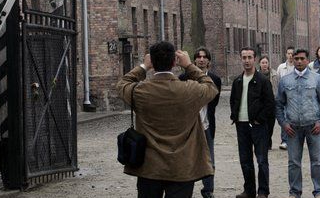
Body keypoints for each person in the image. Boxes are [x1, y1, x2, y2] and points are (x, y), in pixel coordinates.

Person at [116, 41, 218, 198]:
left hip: (150, 167)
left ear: (153, 63)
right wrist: (189, 66)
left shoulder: (140, 91)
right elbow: (211, 87)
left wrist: (144, 66)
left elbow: (122, 84)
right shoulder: (189, 90)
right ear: (174, 62)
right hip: (182, 166)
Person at [276, 48, 320, 198]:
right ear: (292, 60)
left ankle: (319, 192)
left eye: (302, 59)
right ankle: (294, 192)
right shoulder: (285, 81)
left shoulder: (317, 79)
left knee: (317, 162)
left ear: (308, 61)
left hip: (314, 127)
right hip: (293, 128)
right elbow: (279, 105)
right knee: (294, 163)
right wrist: (284, 124)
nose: (299, 61)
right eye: (296, 59)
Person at [230, 47, 275, 198]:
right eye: (244, 57)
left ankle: (263, 191)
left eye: (249, 57)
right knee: (245, 160)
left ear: (254, 59)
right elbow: (233, 101)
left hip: (257, 126)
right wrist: (235, 117)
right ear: (241, 59)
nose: (247, 60)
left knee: (262, 160)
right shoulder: (237, 80)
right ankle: (249, 190)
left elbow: (270, 104)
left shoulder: (262, 80)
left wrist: (259, 119)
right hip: (241, 125)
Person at [179, 47, 222, 198]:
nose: (202, 59)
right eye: (199, 56)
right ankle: (186, 189)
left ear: (209, 60)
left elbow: (213, 102)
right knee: (187, 158)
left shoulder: (215, 80)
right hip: (189, 126)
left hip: (207, 124)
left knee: (209, 159)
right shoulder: (183, 78)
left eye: (204, 57)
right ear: (194, 59)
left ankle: (208, 190)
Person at [275, 46, 296, 150]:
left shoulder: (297, 67)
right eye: (288, 53)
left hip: (295, 97)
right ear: (286, 54)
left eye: (292, 53)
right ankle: (284, 140)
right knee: (283, 118)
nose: (290, 56)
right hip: (283, 96)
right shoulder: (281, 67)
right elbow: (278, 81)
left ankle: (293, 139)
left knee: (292, 118)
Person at [258, 55, 276, 150]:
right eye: (262, 63)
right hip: (260, 104)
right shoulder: (256, 75)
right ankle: (264, 142)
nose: (264, 64)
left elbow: (277, 88)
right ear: (259, 64)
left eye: (266, 63)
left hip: (272, 103)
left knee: (270, 124)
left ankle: (268, 139)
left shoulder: (274, 74)